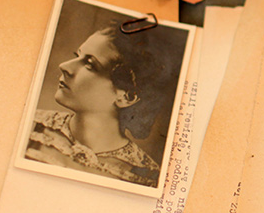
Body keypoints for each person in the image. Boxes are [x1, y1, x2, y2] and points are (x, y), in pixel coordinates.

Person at [25, 20, 179, 187]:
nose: (64, 66)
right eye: (77, 56)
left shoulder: (146, 177)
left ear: (126, 97)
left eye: (90, 64)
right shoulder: (31, 127)